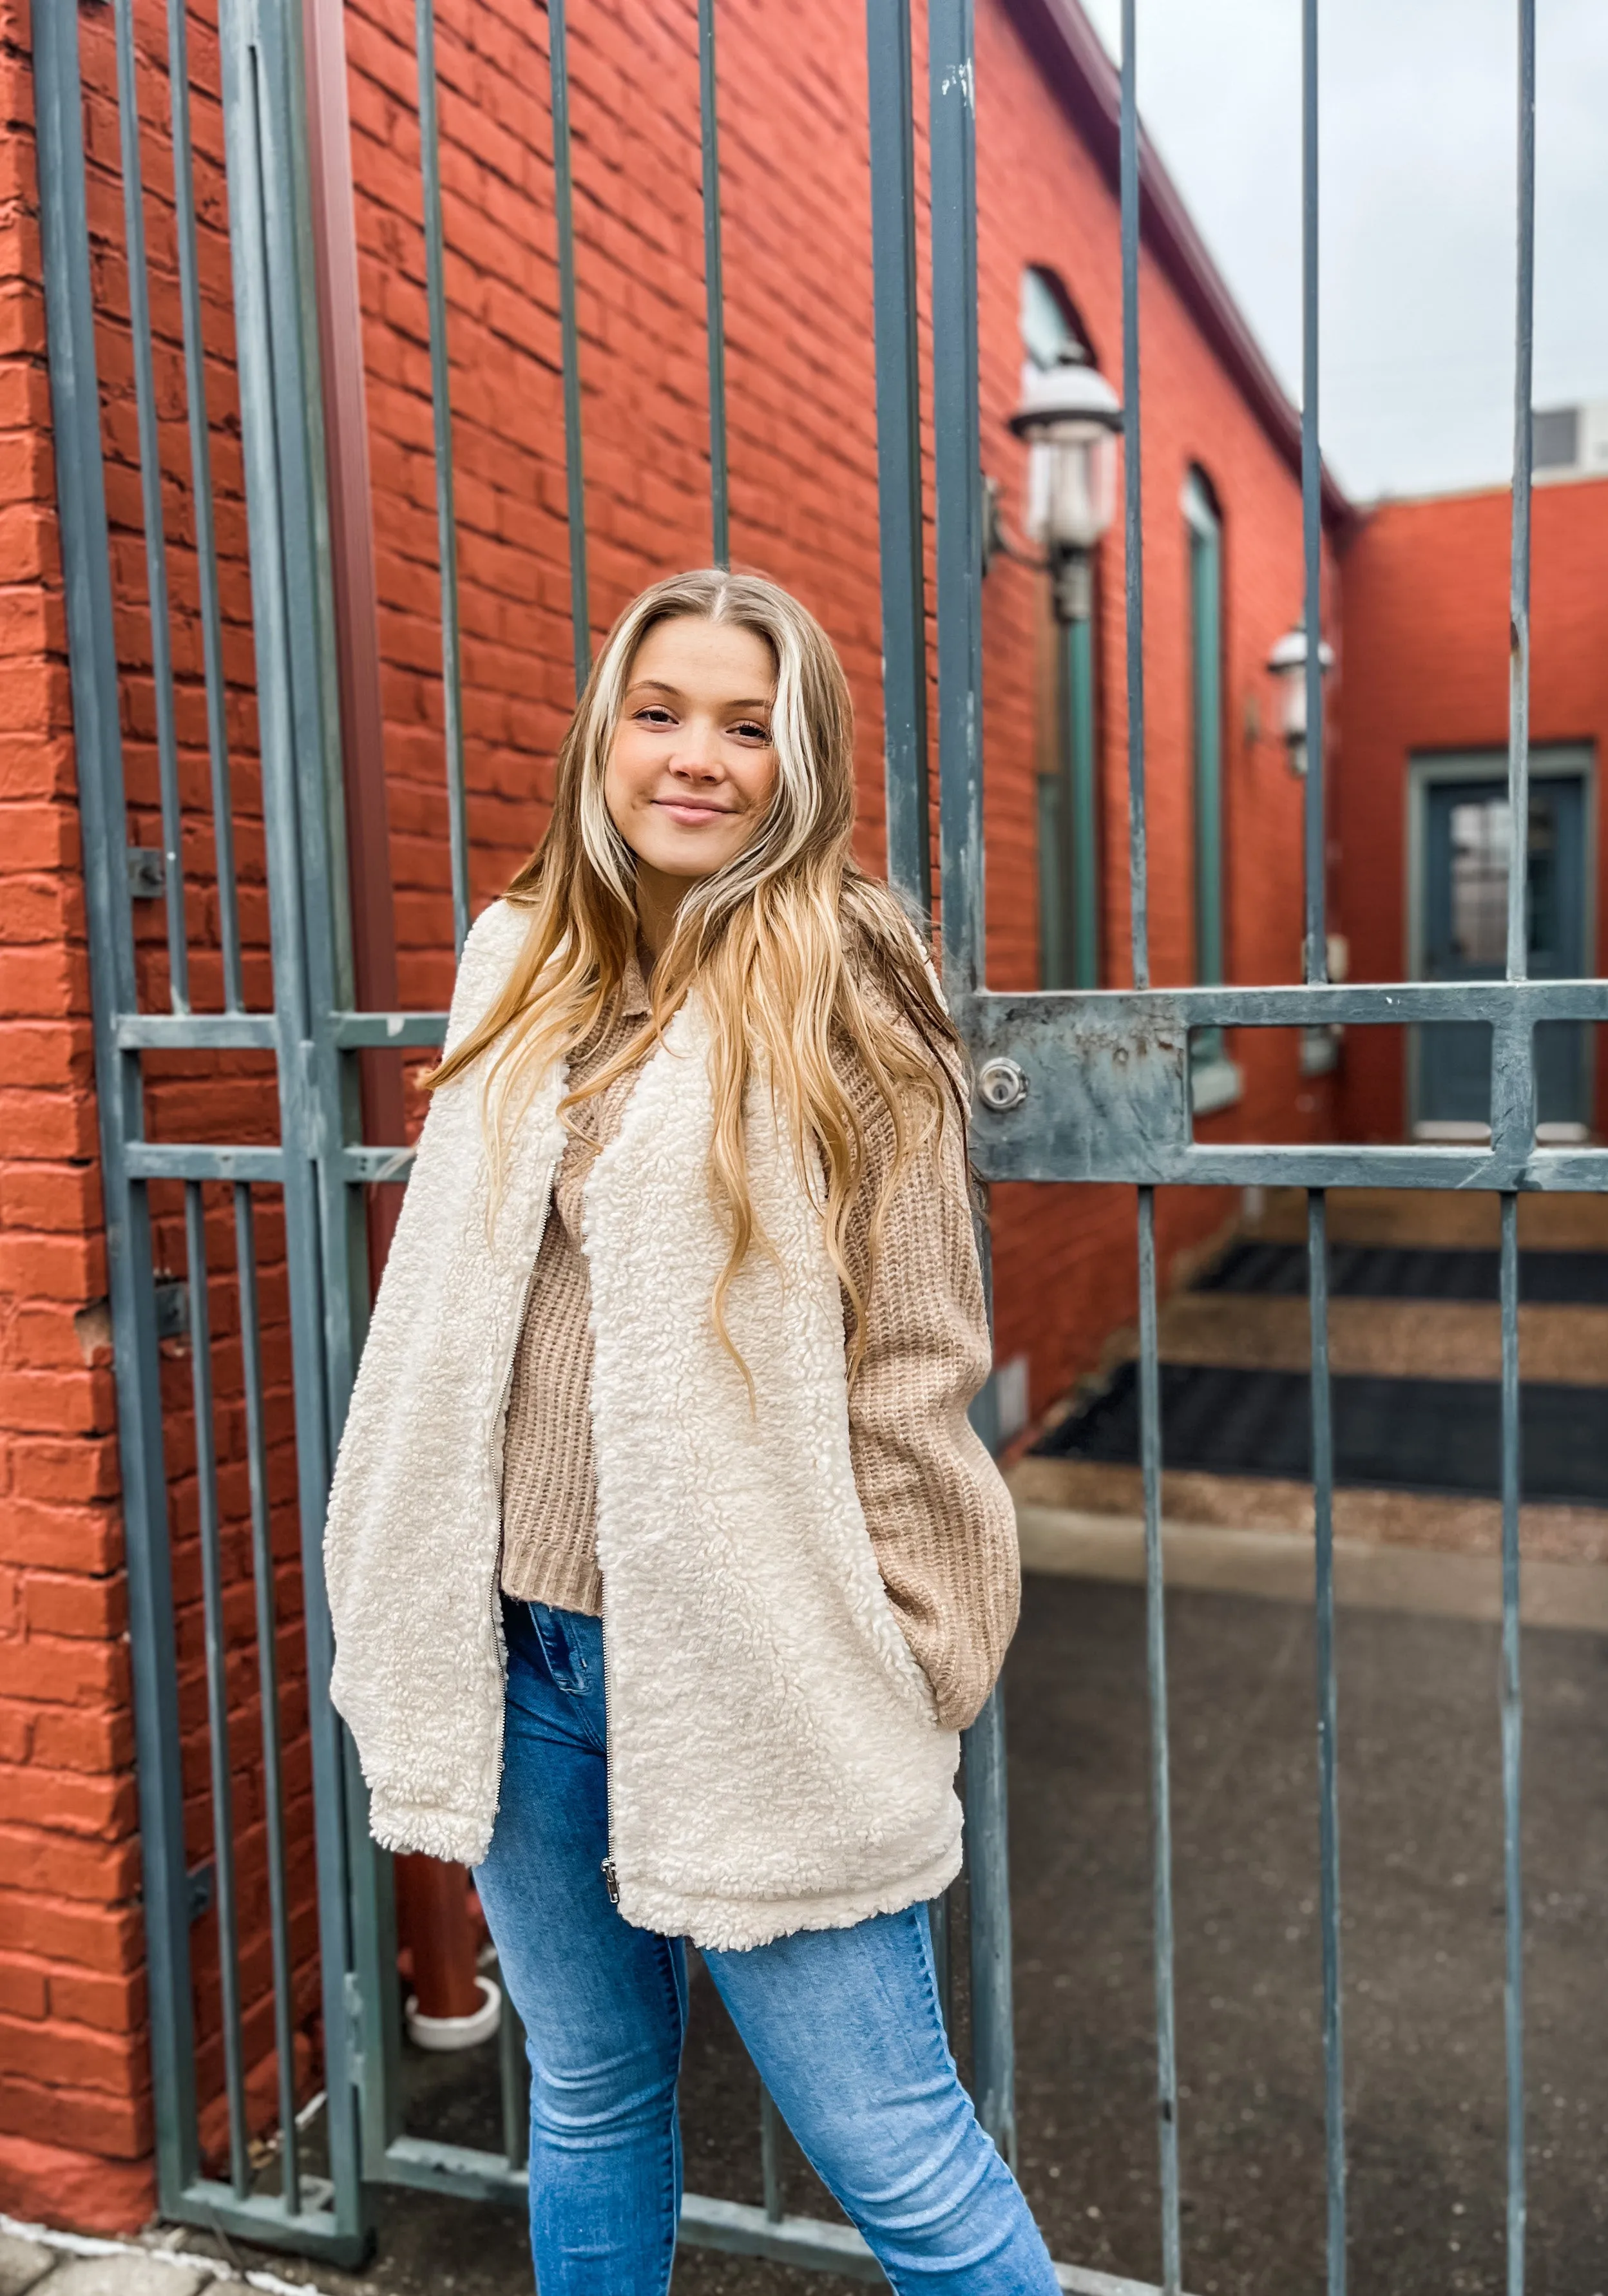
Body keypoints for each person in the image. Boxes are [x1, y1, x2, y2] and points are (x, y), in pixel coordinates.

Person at [323, 568, 1057, 2294]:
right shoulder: (523, 968)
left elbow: (918, 1352)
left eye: (748, 723)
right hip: (518, 1647)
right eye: (663, 712)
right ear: (605, 731)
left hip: (754, 1665)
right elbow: (450, 1302)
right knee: (587, 2093)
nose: (699, 756)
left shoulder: (846, 987)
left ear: (800, 759)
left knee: (905, 2160)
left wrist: (913, 1648)